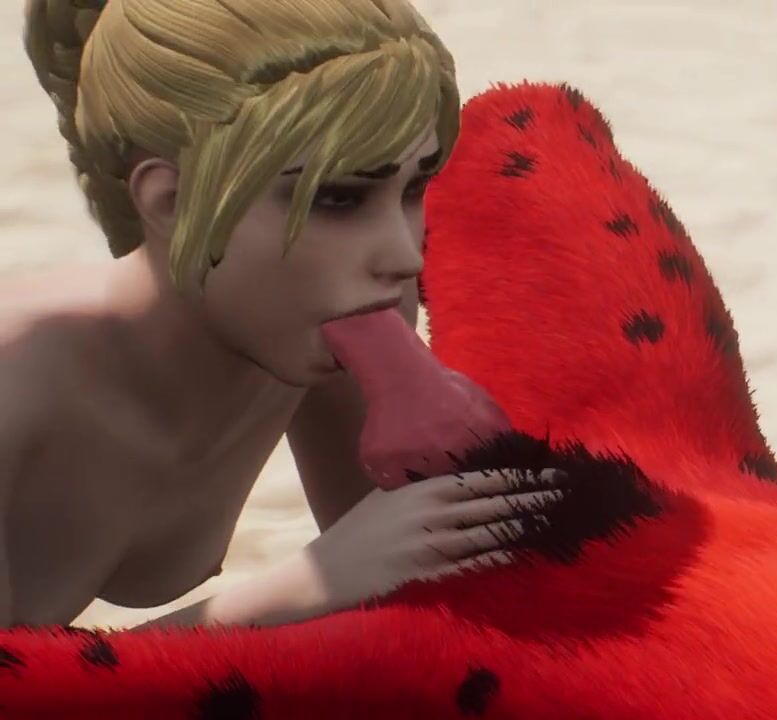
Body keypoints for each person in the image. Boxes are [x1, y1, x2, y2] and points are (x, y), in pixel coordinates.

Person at [1, 0, 562, 629]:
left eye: (412, 188)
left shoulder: (327, 326)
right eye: (337, 199)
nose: (405, 255)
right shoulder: (14, 388)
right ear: (170, 201)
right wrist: (302, 587)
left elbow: (414, 604)